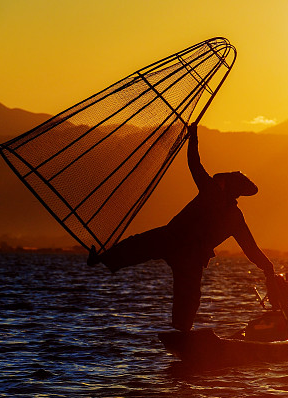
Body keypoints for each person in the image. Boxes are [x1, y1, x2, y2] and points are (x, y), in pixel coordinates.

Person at [88, 122, 276, 332]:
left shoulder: (224, 206)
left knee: (184, 291)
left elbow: (194, 163)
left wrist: (193, 136)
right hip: (175, 241)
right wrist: (268, 268)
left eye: (225, 181)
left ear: (230, 187)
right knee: (138, 247)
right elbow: (251, 250)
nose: (221, 182)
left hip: (186, 251)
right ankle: (104, 259)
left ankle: (182, 332)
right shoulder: (220, 200)